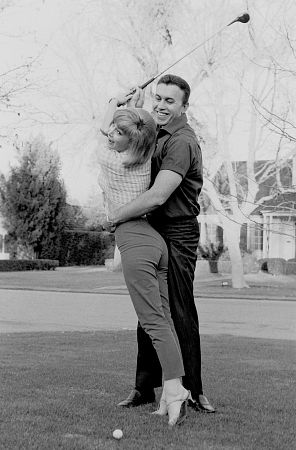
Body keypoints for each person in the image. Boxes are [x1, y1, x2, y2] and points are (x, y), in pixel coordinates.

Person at [108, 74, 215, 414]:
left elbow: (157, 195)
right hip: (152, 226)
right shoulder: (154, 132)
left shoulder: (182, 141)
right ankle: (144, 388)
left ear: (185, 106)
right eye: (158, 98)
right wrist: (129, 104)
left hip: (178, 230)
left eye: (170, 101)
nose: (161, 105)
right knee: (149, 309)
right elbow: (124, 133)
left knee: (179, 309)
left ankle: (193, 391)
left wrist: (116, 216)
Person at [97, 91, 191, 427]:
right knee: (163, 321)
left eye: (119, 134)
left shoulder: (111, 159)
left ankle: (175, 388)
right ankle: (170, 392)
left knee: (153, 323)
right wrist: (133, 108)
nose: (112, 134)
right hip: (154, 240)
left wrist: (118, 99)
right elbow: (130, 126)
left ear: (130, 140)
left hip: (136, 242)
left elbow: (102, 123)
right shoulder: (147, 150)